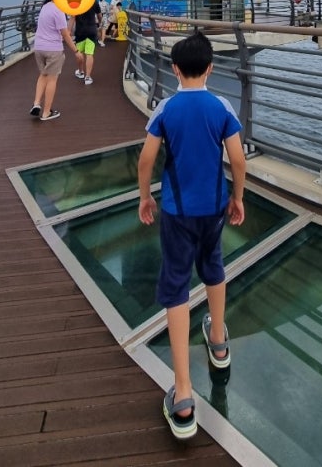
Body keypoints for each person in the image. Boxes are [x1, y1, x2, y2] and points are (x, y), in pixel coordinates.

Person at [137, 30, 246, 440]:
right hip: (214, 208)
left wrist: (145, 197)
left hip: (177, 212)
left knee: (177, 285)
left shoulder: (166, 108)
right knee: (214, 267)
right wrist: (237, 197)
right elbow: (237, 159)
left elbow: (147, 158)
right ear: (212, 68)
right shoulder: (221, 106)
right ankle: (218, 341)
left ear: (175, 69)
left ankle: (183, 396)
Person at [30, 0, 80, 121]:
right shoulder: (59, 11)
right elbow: (65, 33)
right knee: (52, 79)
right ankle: (46, 113)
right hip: (53, 49)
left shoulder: (45, 7)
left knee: (43, 75)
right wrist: (76, 51)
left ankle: (36, 103)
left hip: (39, 47)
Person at [73, 0, 101, 85]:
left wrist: (68, 31)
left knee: (79, 53)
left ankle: (81, 72)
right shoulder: (94, 1)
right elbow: (99, 15)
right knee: (89, 54)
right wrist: (99, 24)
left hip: (80, 31)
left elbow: (72, 17)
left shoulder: (76, 1)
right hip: (92, 30)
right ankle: (88, 77)